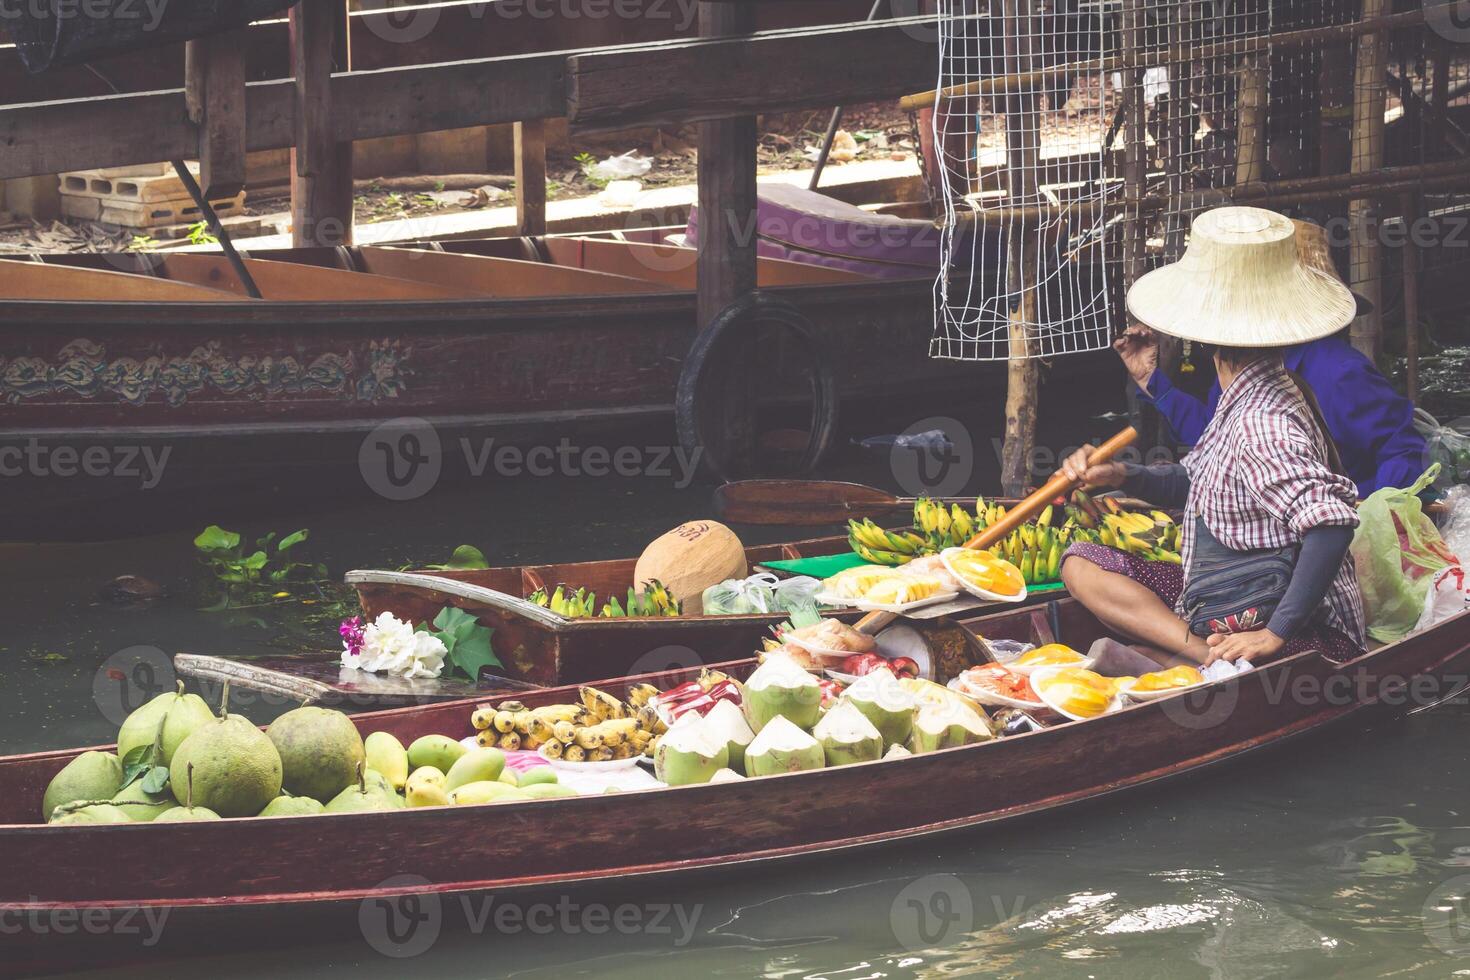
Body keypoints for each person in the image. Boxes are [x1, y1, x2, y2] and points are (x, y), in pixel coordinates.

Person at [1061, 207, 1365, 667]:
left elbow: (1331, 523)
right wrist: (1122, 474)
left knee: (1136, 646)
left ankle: (1201, 660)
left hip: (1292, 622)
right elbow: (1197, 481)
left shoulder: (1262, 422)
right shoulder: (1249, 391)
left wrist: (1274, 634)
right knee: (1081, 562)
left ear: (1204, 342)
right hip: (1226, 591)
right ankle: (1202, 655)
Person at [1114, 221, 1426, 498]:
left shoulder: (1340, 373)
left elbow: (1403, 450)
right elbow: (1211, 437)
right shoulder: (1238, 364)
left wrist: (1367, 509)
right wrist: (1152, 380)